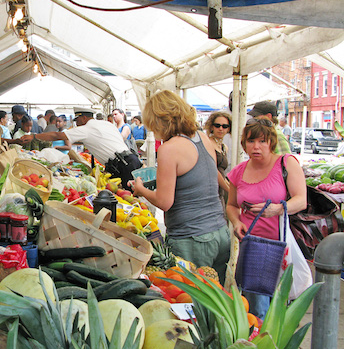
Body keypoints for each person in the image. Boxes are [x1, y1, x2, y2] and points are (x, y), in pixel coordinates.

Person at [130, 90, 230, 282]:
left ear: (161, 121)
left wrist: (140, 189)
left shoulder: (169, 149)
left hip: (192, 239)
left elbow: (164, 202)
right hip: (219, 232)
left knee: (191, 301)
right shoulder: (202, 137)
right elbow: (207, 173)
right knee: (215, 300)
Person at [226, 118, 306, 319]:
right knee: (258, 310)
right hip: (254, 248)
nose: (256, 147)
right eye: (251, 141)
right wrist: (237, 223)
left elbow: (301, 200)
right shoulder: (239, 172)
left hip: (280, 245)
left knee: (282, 307)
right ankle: (260, 346)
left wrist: (279, 208)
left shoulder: (286, 163)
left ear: (271, 142)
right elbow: (232, 205)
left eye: (262, 141)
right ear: (244, 143)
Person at [20, 107, 142, 187]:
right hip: (131, 160)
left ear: (84, 118)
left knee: (128, 198)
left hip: (122, 166)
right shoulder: (106, 124)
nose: (76, 123)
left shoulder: (87, 129)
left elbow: (58, 135)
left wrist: (34, 137)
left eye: (77, 119)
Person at [204, 111, 232, 206]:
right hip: (210, 190)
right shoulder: (208, 143)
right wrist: (229, 189)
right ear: (211, 127)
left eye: (224, 126)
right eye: (217, 125)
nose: (221, 129)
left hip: (220, 190)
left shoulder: (224, 147)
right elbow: (214, 170)